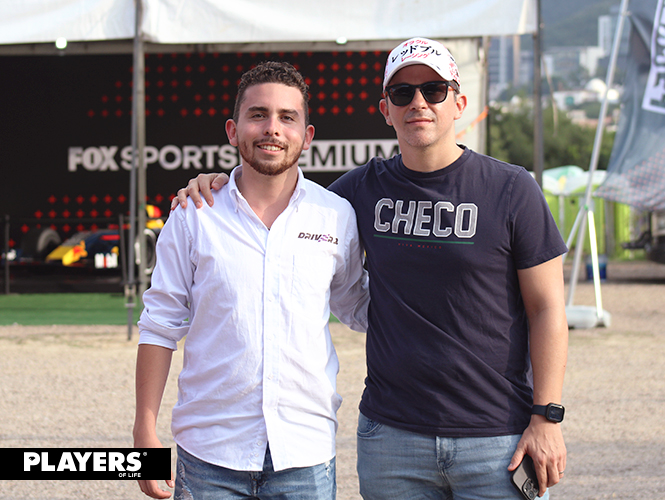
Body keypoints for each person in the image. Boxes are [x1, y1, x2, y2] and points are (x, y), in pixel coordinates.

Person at [174, 37, 568, 500]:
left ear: (459, 103)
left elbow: (547, 309)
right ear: (385, 109)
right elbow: (281, 195)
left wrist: (547, 416)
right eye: (402, 92)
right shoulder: (356, 192)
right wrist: (220, 184)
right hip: (392, 439)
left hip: (497, 437)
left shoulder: (511, 189)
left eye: (434, 90)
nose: (418, 102)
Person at [134, 61, 370, 500]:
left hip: (304, 453)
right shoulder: (193, 215)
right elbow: (159, 325)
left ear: (307, 136)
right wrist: (144, 429)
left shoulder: (335, 215)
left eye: (287, 117)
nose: (272, 128)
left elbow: (359, 307)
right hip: (209, 454)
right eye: (258, 114)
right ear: (233, 129)